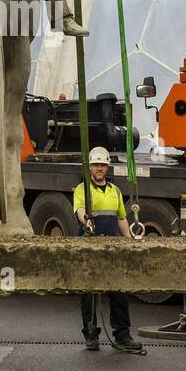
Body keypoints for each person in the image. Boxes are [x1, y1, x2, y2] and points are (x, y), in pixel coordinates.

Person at [74, 147, 144, 355]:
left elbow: (121, 218)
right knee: (89, 293)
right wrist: (86, 222)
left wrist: (130, 240)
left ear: (107, 167)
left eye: (102, 165)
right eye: (96, 165)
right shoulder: (82, 189)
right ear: (90, 167)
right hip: (90, 247)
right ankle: (91, 335)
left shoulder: (115, 191)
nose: (99, 169)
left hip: (113, 248)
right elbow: (80, 210)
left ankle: (122, 335)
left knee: (119, 291)